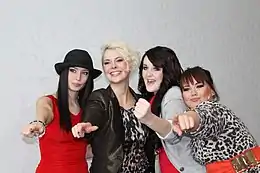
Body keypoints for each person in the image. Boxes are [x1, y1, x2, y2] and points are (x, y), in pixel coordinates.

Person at [72, 41, 155, 173]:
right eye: (107, 62)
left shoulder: (143, 102)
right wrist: (87, 123)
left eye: (119, 60)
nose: (113, 66)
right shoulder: (100, 98)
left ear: (130, 64)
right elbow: (94, 113)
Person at [21, 49, 102, 173]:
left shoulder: (89, 110)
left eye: (84, 73)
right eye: (73, 71)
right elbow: (43, 114)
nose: (78, 78)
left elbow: (82, 152)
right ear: (64, 73)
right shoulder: (47, 102)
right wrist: (39, 124)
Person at [171, 66, 260, 173]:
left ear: (212, 91)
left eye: (199, 86)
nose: (193, 93)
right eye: (186, 89)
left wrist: (189, 117)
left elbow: (203, 116)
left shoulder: (217, 110)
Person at [134, 46, 206, 173]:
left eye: (156, 69)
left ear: (167, 71)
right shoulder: (154, 97)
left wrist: (149, 119)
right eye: (145, 68)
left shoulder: (172, 95)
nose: (148, 74)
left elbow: (174, 132)